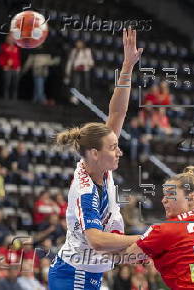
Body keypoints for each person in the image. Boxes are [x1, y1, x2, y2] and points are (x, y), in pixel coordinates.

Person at [48, 28, 143, 290]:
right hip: (74, 276)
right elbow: (97, 240)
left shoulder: (99, 165)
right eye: (114, 148)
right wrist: (146, 237)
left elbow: (117, 110)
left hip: (88, 273)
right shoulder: (85, 190)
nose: (119, 151)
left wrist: (127, 66)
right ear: (94, 153)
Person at [0, 35, 21, 100]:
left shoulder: (16, 47)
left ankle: (14, 99)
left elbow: (18, 58)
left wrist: (18, 66)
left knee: (14, 85)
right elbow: (0, 57)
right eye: (9, 38)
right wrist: (3, 65)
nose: (10, 39)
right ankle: (5, 99)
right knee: (6, 84)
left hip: (15, 69)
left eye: (12, 38)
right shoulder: (3, 47)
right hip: (7, 68)